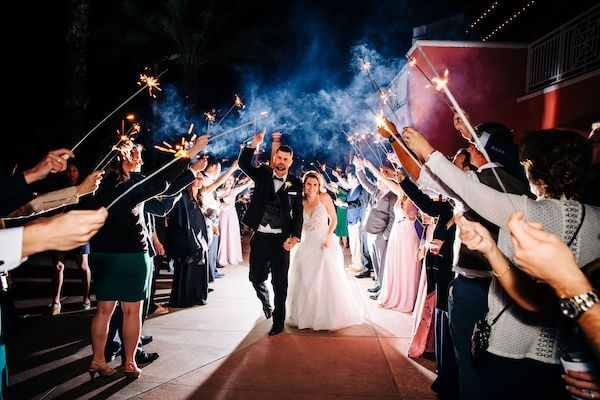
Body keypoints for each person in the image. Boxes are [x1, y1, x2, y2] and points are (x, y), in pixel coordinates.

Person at [403, 127, 600, 399]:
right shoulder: (597, 218)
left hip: (512, 346)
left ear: (535, 168)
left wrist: (427, 151)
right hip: (571, 358)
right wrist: (490, 248)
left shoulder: (524, 210)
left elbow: (466, 189)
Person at [84, 136, 208, 380]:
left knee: (103, 310)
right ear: (126, 160)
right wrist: (190, 156)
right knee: (132, 311)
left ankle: (98, 359)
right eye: (136, 155)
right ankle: (129, 363)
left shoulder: (96, 184)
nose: (140, 159)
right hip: (131, 254)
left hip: (102, 253)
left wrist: (190, 166)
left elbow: (159, 201)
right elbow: (165, 185)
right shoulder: (136, 183)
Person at [238, 130, 303, 336]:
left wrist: (295, 236)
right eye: (279, 158)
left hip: (281, 241)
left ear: (290, 161)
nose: (282, 161)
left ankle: (278, 322)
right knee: (256, 278)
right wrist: (252, 145)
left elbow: (298, 213)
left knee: (280, 284)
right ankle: (265, 300)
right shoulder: (263, 174)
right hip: (261, 238)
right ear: (275, 158)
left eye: (286, 159)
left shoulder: (296, 183)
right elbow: (243, 165)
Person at [286, 172, 361, 330]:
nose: (312, 187)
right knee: (303, 279)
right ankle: (304, 316)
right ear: (304, 185)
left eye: (315, 184)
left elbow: (334, 219)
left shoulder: (325, 198)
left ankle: (324, 316)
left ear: (319, 186)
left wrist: (327, 237)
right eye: (309, 184)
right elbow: (295, 222)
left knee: (321, 280)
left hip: (323, 242)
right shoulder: (299, 200)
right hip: (305, 243)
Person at [353, 157, 396, 296]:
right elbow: (365, 183)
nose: (377, 181)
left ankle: (383, 289)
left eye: (380, 179)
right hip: (371, 231)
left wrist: (385, 235)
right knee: (376, 262)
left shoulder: (392, 195)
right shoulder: (377, 191)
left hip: (381, 233)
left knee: (383, 263)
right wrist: (359, 168)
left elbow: (392, 218)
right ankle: (378, 283)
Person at [217, 176, 253, 266]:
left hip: (231, 214)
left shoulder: (233, 190)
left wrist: (251, 177)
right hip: (222, 214)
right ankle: (221, 257)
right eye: (228, 180)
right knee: (223, 234)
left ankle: (231, 256)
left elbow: (247, 184)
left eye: (231, 180)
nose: (229, 182)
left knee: (231, 234)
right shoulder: (219, 191)